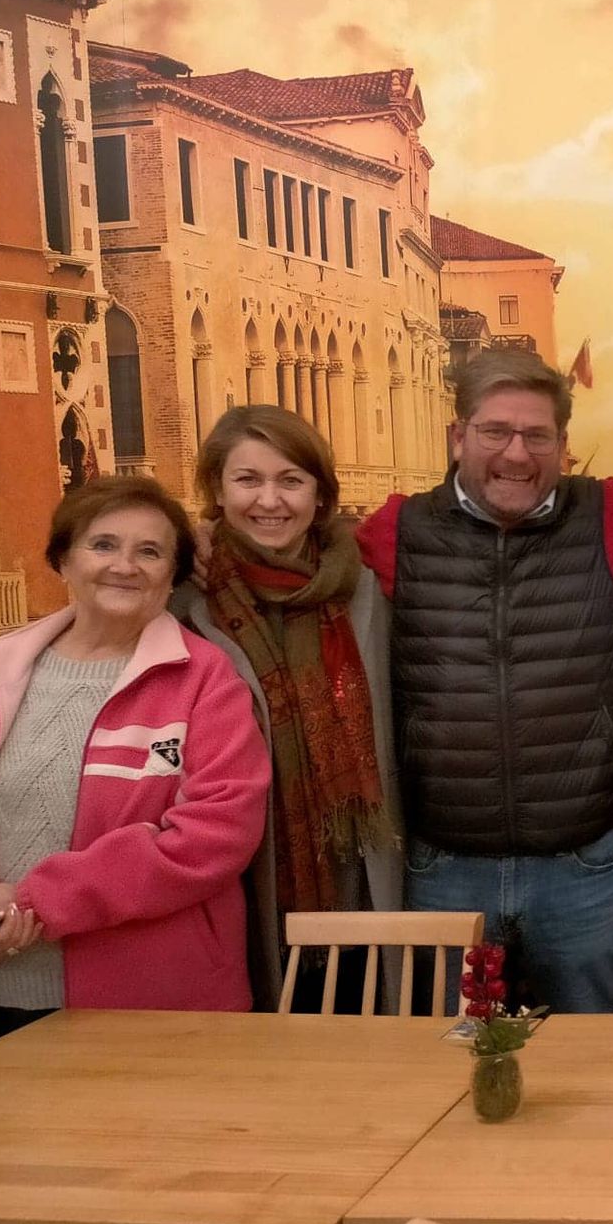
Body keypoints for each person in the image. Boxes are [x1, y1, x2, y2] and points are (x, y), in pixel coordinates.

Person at [0, 476, 269, 1224]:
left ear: (174, 575)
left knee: (165, 1221)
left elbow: (213, 835)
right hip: (1, 1000)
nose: (123, 565)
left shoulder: (205, 679)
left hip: (156, 1010)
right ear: (61, 557)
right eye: (102, 544)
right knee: (19, 1220)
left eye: (149, 550)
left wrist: (38, 902)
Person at [353, 348, 613, 1017]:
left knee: (593, 1070)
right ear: (458, 436)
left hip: (583, 869)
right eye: (496, 431)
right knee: (448, 1072)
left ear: (563, 443)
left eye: (538, 435)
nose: (517, 454)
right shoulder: (398, 529)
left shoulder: (610, 515)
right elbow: (298, 560)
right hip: (445, 869)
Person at [180, 404, 402, 1011]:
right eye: (247, 480)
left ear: (321, 495)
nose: (269, 500)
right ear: (216, 491)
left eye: (291, 480)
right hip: (252, 878)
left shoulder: (368, 587)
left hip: (362, 868)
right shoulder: (184, 604)